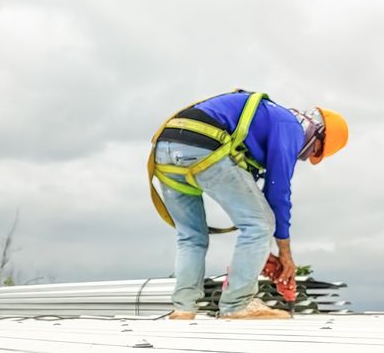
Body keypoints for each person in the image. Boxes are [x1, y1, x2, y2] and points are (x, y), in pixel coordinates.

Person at [148, 90, 348, 320]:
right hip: (203, 146)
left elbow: (249, 198)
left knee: (191, 236)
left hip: (165, 151)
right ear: (316, 133)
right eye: (314, 151)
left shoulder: (261, 125)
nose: (305, 155)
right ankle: (236, 305)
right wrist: (285, 254)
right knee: (260, 225)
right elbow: (277, 191)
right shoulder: (290, 126)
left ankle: (183, 308)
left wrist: (262, 254)